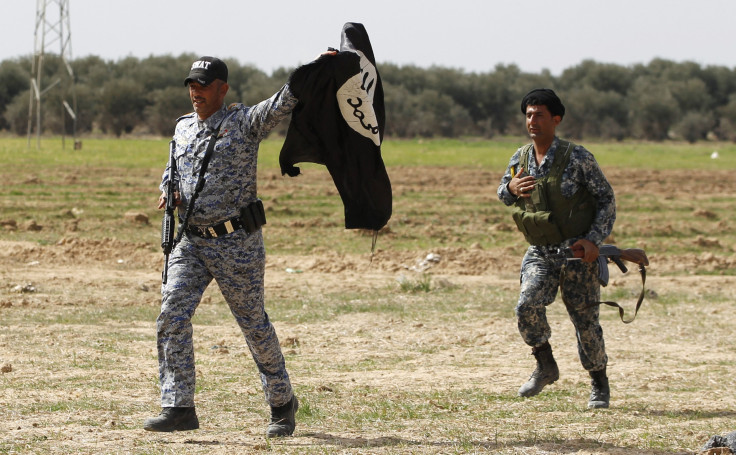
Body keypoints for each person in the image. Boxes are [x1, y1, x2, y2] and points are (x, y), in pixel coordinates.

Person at [143, 55, 330, 436]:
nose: (195, 92)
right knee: (170, 314)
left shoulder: (243, 123)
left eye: (203, 85)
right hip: (191, 242)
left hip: (236, 243)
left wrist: (314, 69)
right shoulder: (181, 128)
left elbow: (283, 100)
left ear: (222, 89)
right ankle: (178, 406)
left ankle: (281, 402)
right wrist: (169, 189)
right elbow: (172, 169)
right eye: (191, 85)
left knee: (253, 324)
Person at [497, 88, 616, 409]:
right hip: (540, 251)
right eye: (528, 115)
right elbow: (503, 192)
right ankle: (545, 365)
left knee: (586, 322)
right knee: (526, 306)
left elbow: (606, 198)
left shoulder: (578, 158)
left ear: (556, 119)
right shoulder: (520, 158)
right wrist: (509, 188)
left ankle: (599, 384)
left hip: (577, 253)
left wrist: (594, 240)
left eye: (539, 115)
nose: (532, 121)